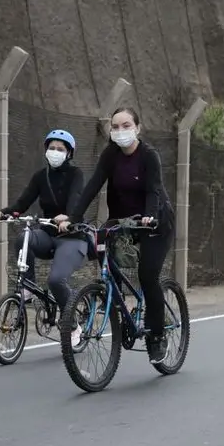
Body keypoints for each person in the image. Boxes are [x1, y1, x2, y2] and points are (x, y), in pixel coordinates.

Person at [57, 108, 175, 364]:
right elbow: (92, 186)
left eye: (126, 125)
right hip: (122, 221)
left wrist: (150, 216)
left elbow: (154, 190)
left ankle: (156, 337)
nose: (120, 131)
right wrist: (73, 218)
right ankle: (118, 308)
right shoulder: (110, 155)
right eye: (116, 126)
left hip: (154, 223)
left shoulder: (149, 156)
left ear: (138, 128)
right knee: (101, 246)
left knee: (147, 275)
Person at [0, 130, 86, 335]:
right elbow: (22, 203)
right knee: (24, 238)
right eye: (52, 148)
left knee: (55, 280)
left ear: (69, 153)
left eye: (60, 149)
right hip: (48, 234)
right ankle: (29, 287)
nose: (55, 152)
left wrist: (68, 217)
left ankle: (73, 324)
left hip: (72, 238)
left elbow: (76, 199)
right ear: (46, 150)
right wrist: (4, 213)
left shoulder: (76, 174)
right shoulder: (40, 177)